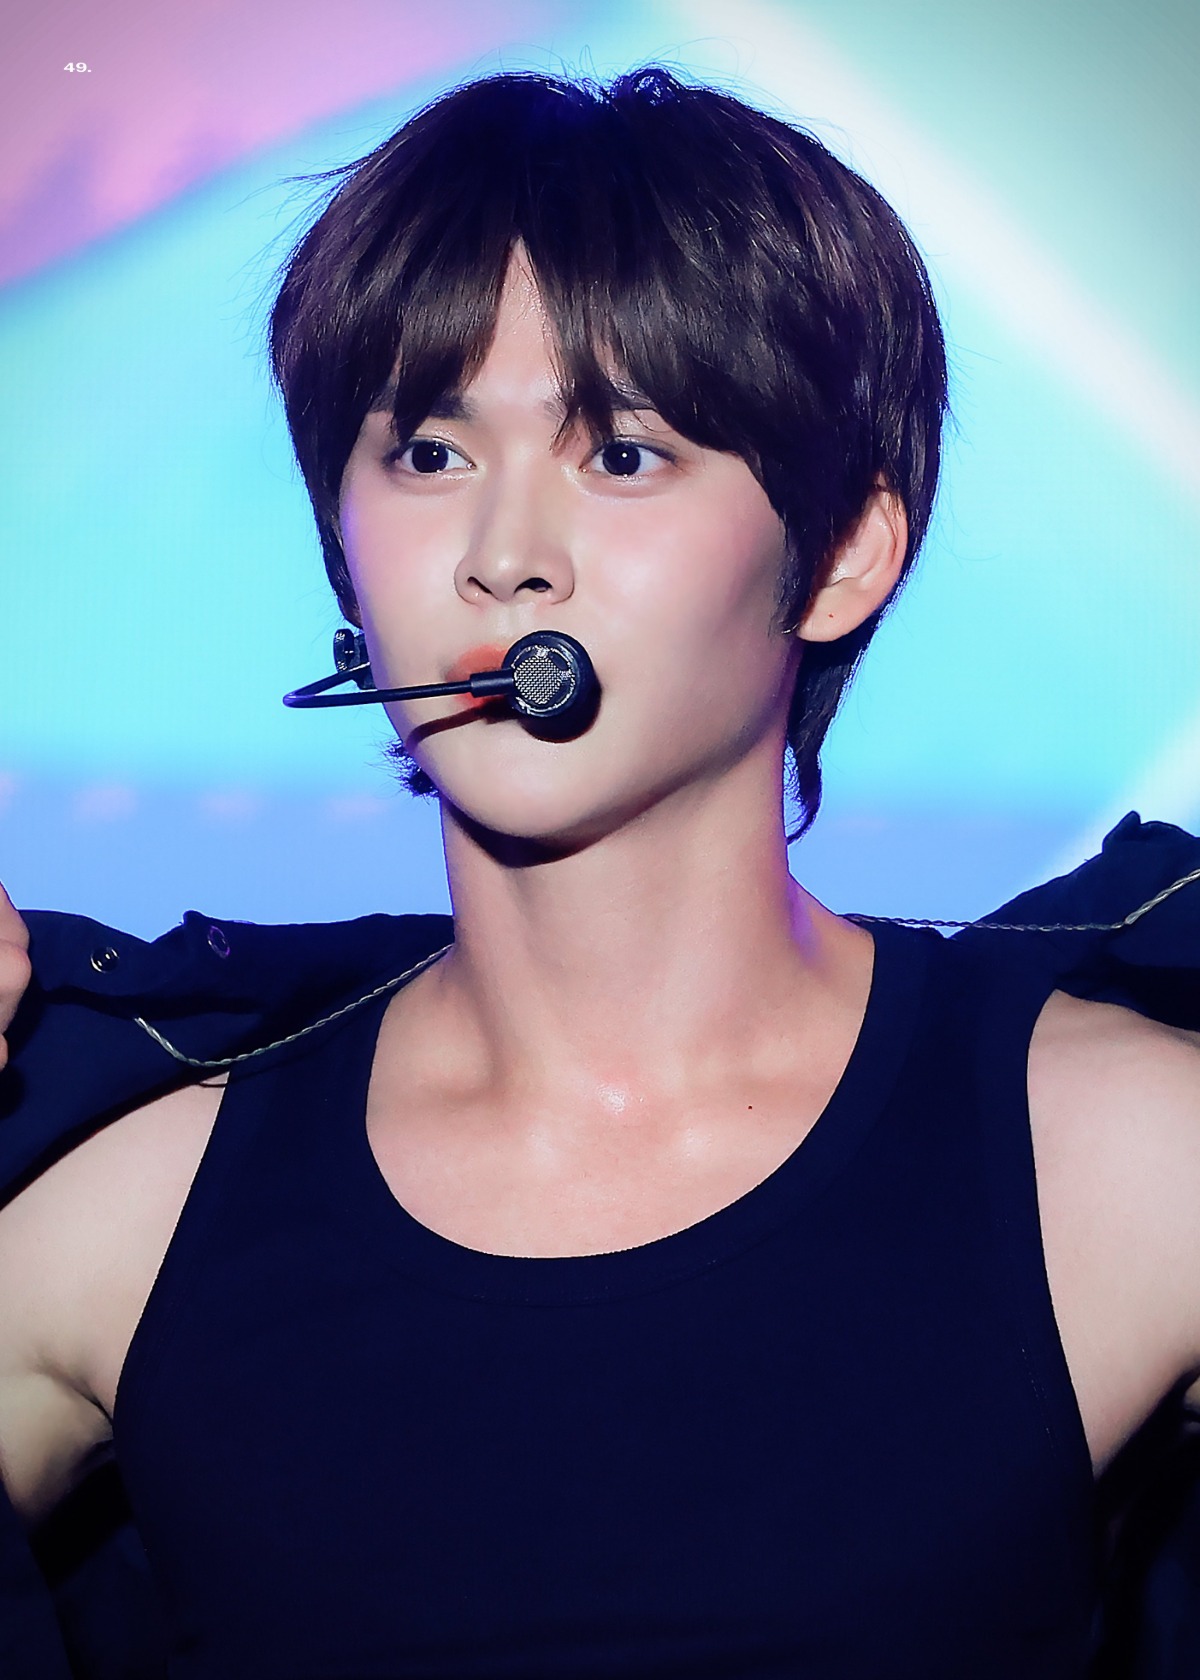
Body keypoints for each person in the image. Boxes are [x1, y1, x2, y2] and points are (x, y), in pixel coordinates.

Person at [1, 65, 1199, 1679]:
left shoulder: (1124, 1160)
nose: (503, 555)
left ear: (846, 550)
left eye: (623, 455)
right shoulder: (129, 1215)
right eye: (429, 451)